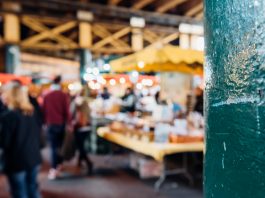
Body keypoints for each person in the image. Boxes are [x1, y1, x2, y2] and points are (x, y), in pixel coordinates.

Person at [0, 82, 41, 198]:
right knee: (33, 190)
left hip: (17, 161)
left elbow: (4, 142)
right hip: (33, 157)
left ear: (10, 96)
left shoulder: (8, 117)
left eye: (3, 93)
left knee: (20, 193)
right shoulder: (31, 112)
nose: (2, 96)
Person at [43, 76, 70, 180]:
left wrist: (44, 123)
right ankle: (59, 165)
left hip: (51, 124)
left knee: (54, 147)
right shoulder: (63, 95)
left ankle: (54, 168)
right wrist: (69, 123)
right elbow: (67, 111)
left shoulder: (47, 95)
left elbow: (43, 110)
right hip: (61, 124)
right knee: (60, 146)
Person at [71, 90, 93, 175]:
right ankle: (79, 163)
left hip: (79, 128)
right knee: (81, 145)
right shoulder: (86, 103)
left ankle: (89, 163)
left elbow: (72, 114)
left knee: (80, 147)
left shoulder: (76, 102)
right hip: (87, 128)